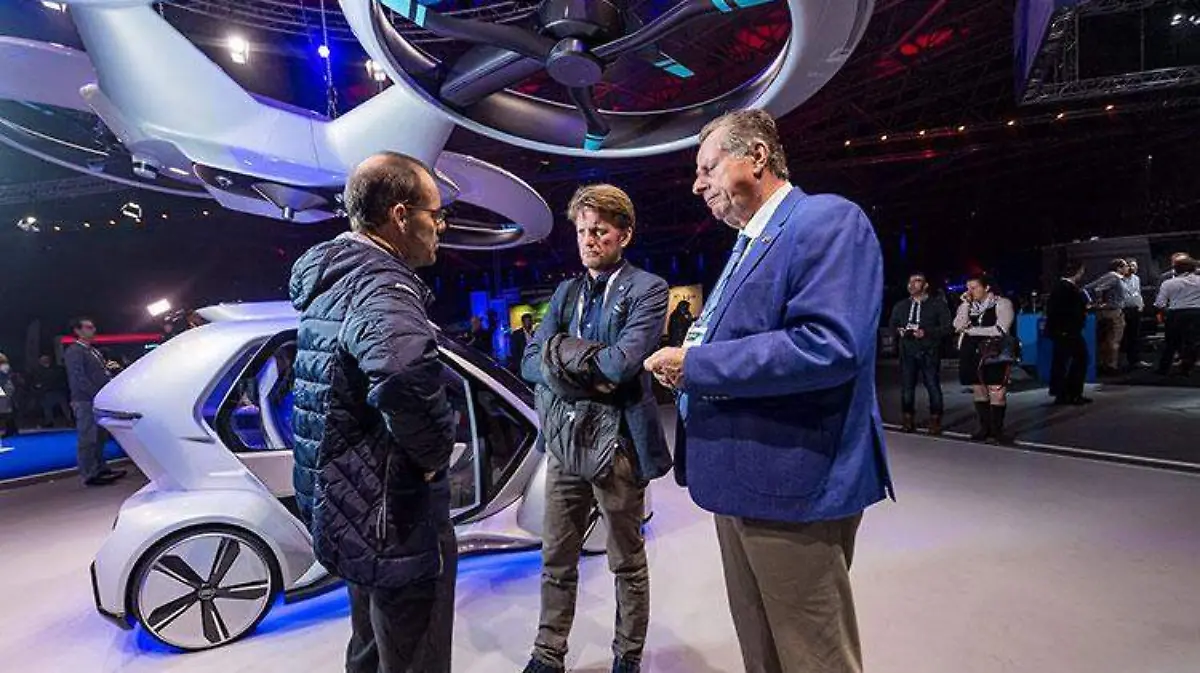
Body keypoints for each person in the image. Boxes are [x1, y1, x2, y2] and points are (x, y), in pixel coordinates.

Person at [645, 109, 893, 673]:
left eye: (707, 167)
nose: (697, 185)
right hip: (742, 482)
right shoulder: (749, 243)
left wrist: (697, 364)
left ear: (756, 157)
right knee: (763, 651)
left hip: (790, 487)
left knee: (813, 657)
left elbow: (828, 345)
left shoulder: (826, 220)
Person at [289, 151, 457, 673]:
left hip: (349, 502)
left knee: (368, 644)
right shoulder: (383, 284)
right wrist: (434, 454)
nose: (441, 227)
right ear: (401, 216)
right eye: (435, 214)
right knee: (413, 655)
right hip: (392, 510)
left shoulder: (335, 279)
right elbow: (401, 373)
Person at [519, 184, 672, 673]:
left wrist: (560, 356)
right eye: (582, 230)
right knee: (556, 558)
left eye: (599, 230)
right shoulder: (566, 292)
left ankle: (627, 657)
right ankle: (548, 655)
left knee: (625, 560)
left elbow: (622, 365)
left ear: (624, 234)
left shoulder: (649, 289)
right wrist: (582, 366)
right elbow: (529, 362)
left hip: (619, 445)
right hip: (566, 441)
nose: (588, 239)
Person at [953, 275, 1017, 443]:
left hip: (994, 352)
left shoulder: (1002, 303)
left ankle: (997, 431)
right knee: (979, 390)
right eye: (968, 288)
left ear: (987, 287)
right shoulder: (967, 305)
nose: (969, 291)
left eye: (974, 288)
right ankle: (984, 428)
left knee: (997, 391)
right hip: (972, 352)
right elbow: (958, 326)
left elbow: (1001, 329)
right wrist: (965, 305)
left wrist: (971, 331)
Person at [64, 318, 127, 486]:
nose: (93, 330)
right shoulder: (74, 351)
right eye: (89, 327)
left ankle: (100, 468)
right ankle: (90, 474)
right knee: (88, 438)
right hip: (85, 400)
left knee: (100, 437)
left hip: (98, 399)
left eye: (93, 327)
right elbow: (78, 378)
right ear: (78, 331)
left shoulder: (93, 351)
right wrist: (96, 394)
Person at [887, 272, 951, 434]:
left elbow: (947, 328)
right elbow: (892, 325)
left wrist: (926, 333)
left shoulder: (937, 305)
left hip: (929, 351)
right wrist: (898, 331)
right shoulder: (901, 305)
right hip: (907, 350)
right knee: (907, 387)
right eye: (910, 282)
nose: (912, 285)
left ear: (926, 285)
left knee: (932, 385)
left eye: (917, 281)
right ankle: (907, 419)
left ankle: (935, 420)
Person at [1045, 261, 1091, 405]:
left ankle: (1062, 394)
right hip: (1068, 331)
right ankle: (1074, 394)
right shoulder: (1067, 288)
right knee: (1080, 359)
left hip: (1063, 331)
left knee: (1061, 362)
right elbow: (1067, 311)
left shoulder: (1060, 287)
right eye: (1081, 271)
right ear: (1077, 272)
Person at [1154, 256, 1200, 377]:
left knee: (1171, 343)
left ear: (1175, 269)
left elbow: (1159, 303)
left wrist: (1166, 311)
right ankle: (1187, 367)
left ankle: (1163, 369)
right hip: (1196, 313)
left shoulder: (1168, 283)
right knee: (1193, 341)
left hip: (1176, 314)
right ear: (1194, 268)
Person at [1084, 259, 1129, 374]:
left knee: (1106, 340)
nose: (1127, 268)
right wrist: (1099, 302)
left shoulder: (1111, 276)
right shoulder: (1114, 277)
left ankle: (1103, 363)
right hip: (1113, 311)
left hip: (1107, 311)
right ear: (1119, 268)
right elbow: (1098, 289)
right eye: (1125, 266)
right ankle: (1111, 366)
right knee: (1114, 340)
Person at [29, 354, 72, 427]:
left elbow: (61, 379)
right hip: (47, 392)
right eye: (43, 360)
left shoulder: (57, 370)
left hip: (58, 391)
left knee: (64, 406)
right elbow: (36, 382)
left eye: (46, 359)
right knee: (47, 407)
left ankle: (69, 420)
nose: (45, 361)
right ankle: (49, 421)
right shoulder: (38, 371)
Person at [1119, 259, 1144, 370]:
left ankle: (1135, 360)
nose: (1134, 268)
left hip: (1135, 310)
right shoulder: (1119, 279)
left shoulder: (1136, 278)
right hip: (1123, 310)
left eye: (1136, 266)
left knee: (1135, 336)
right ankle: (1121, 362)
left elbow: (1137, 292)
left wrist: (1141, 304)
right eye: (1132, 266)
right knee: (1123, 336)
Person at [0, 353, 17, 439]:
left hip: (5, 387)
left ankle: (10, 429)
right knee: (5, 409)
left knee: (5, 409)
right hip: (3, 387)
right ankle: (12, 428)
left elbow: (4, 377)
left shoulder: (4, 367)